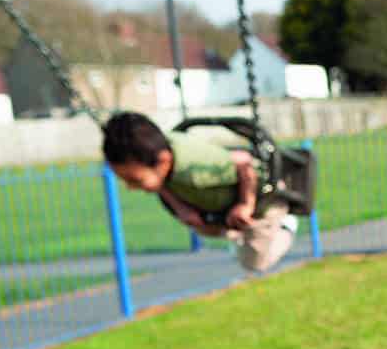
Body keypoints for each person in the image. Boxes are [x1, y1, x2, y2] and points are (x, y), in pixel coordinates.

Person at [101, 111, 298, 273]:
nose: (130, 186)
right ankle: (237, 235)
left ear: (162, 161)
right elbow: (162, 184)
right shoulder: (158, 151)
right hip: (221, 203)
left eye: (135, 180)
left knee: (255, 263)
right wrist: (182, 208)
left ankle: (287, 227)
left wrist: (244, 204)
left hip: (263, 201)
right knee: (203, 226)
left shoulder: (197, 166)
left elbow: (244, 163)